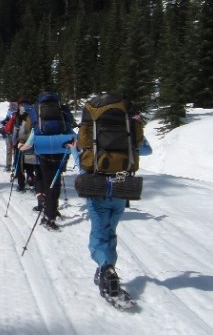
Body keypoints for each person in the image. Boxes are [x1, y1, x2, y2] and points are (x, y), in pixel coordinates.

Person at [68, 95, 151, 300]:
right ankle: (107, 268)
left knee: (98, 233)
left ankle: (106, 270)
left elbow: (83, 163)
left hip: (97, 186)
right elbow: (145, 149)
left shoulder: (92, 134)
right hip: (123, 186)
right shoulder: (127, 127)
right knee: (110, 231)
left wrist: (74, 151)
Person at [19, 99, 75, 231]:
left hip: (42, 154)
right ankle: (52, 211)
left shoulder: (37, 119)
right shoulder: (62, 118)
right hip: (60, 154)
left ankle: (48, 214)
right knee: (55, 183)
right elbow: (73, 135)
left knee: (44, 180)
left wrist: (21, 147)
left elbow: (29, 142)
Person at [0, 101, 18, 172]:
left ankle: (8, 166)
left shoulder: (10, 111)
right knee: (15, 149)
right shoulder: (17, 112)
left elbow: (6, 119)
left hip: (9, 133)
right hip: (16, 133)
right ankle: (15, 165)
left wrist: (3, 123)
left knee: (9, 149)